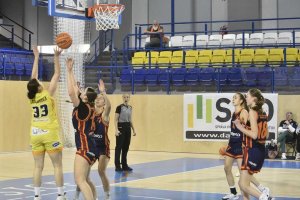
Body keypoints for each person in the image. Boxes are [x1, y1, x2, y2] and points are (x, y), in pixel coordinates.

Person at [27, 46, 67, 200]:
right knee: (57, 165)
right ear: (38, 86)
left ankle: (36, 196)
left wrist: (36, 57)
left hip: (35, 133)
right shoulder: (47, 93)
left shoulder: (30, 97)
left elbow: (33, 76)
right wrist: (56, 56)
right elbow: (57, 74)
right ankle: (59, 195)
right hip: (49, 132)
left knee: (38, 166)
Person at [222, 93, 269, 200]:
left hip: (241, 145)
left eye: (235, 98)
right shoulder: (233, 113)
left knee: (244, 177)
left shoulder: (245, 112)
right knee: (226, 168)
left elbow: (251, 129)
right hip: (232, 144)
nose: (233, 99)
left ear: (241, 101)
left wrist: (242, 130)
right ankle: (233, 193)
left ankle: (261, 189)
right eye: (233, 97)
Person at [73, 79, 111, 200]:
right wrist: (79, 93)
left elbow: (109, 106)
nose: (99, 99)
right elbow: (84, 104)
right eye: (98, 98)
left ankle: (107, 196)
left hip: (103, 147)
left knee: (101, 171)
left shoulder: (104, 115)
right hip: (92, 145)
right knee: (84, 175)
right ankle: (91, 197)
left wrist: (103, 92)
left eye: (101, 99)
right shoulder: (91, 111)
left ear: (104, 103)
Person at [67, 58, 98, 200]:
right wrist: (71, 70)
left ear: (85, 97)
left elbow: (72, 93)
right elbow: (75, 88)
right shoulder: (89, 107)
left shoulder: (83, 108)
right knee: (86, 179)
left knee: (80, 181)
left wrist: (68, 71)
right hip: (92, 147)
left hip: (84, 147)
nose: (81, 91)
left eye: (84, 91)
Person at [233, 89, 273, 200]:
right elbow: (267, 134)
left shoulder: (252, 112)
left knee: (243, 184)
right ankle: (263, 192)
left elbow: (255, 135)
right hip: (258, 150)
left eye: (247, 96)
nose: (246, 98)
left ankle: (264, 197)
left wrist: (240, 127)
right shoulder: (262, 112)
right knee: (243, 183)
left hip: (253, 150)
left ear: (254, 99)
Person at [114, 94, 137, 171]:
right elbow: (115, 119)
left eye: (127, 97)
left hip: (128, 127)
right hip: (121, 127)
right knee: (119, 147)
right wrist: (116, 129)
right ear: (122, 98)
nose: (126, 98)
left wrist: (133, 129)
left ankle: (124, 165)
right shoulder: (119, 107)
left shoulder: (130, 108)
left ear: (129, 98)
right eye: (124, 97)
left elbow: (130, 119)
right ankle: (117, 166)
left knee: (126, 147)